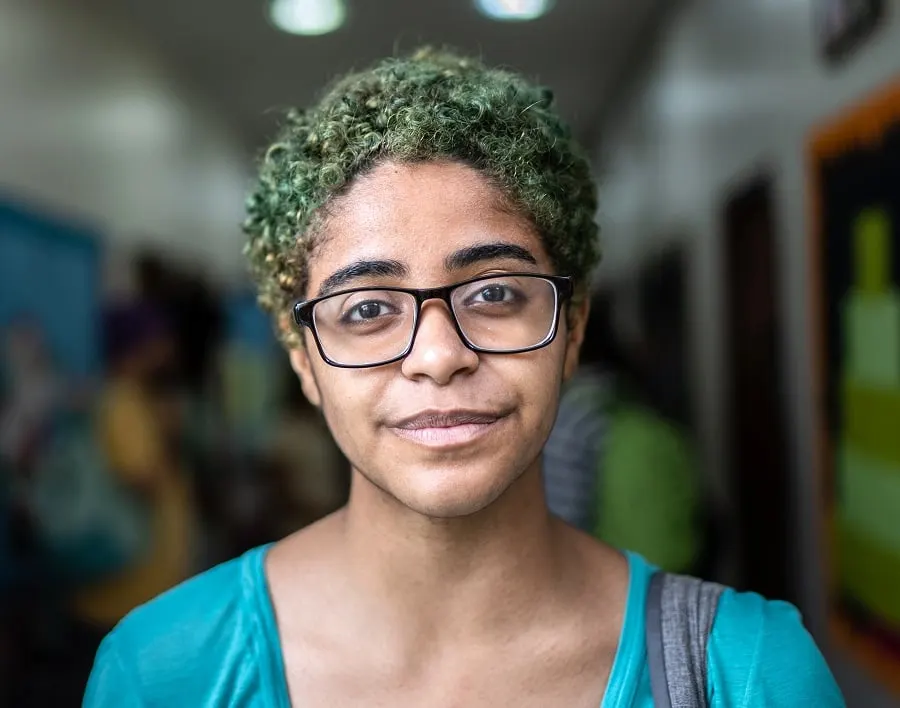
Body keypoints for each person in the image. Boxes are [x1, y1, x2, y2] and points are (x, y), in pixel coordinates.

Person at [84, 48, 844, 706]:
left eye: (494, 294)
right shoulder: (163, 672)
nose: (438, 355)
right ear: (303, 358)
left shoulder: (746, 674)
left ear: (572, 327)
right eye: (368, 309)